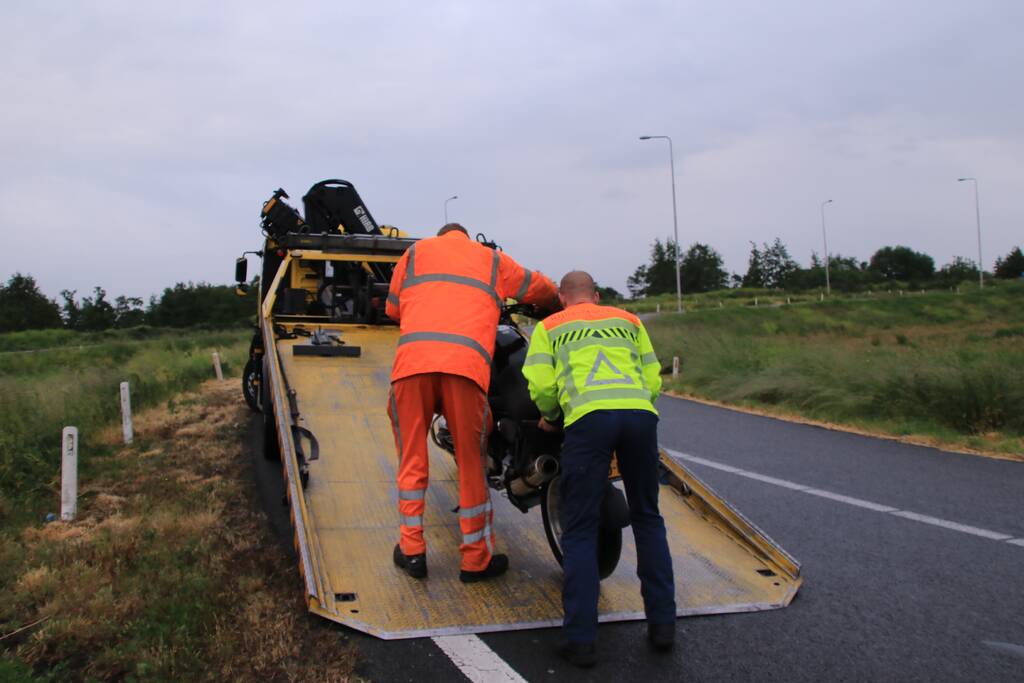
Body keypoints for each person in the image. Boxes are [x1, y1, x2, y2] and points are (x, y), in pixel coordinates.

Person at [385, 223, 558, 582]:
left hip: (413, 367)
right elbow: (535, 286)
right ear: (466, 236)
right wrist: (556, 301)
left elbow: (393, 309)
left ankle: (413, 551)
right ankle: (475, 560)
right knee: (470, 460)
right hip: (465, 368)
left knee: (411, 462)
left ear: (441, 235)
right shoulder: (491, 259)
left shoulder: (415, 253)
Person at [522, 270, 676, 668]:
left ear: (561, 297)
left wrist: (552, 416)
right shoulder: (628, 320)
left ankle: (581, 641)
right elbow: (651, 375)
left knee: (580, 527)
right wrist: (638, 403)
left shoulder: (551, 326)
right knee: (648, 517)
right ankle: (662, 626)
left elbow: (540, 385)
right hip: (640, 416)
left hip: (589, 421)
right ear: (596, 295)